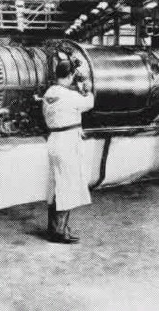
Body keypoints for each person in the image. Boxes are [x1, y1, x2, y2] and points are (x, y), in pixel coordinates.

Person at [42, 60, 94, 244]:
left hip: (54, 141)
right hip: (67, 143)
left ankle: (55, 228)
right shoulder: (69, 95)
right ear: (71, 76)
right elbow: (89, 103)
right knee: (66, 186)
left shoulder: (49, 93)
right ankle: (59, 232)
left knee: (57, 185)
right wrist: (87, 88)